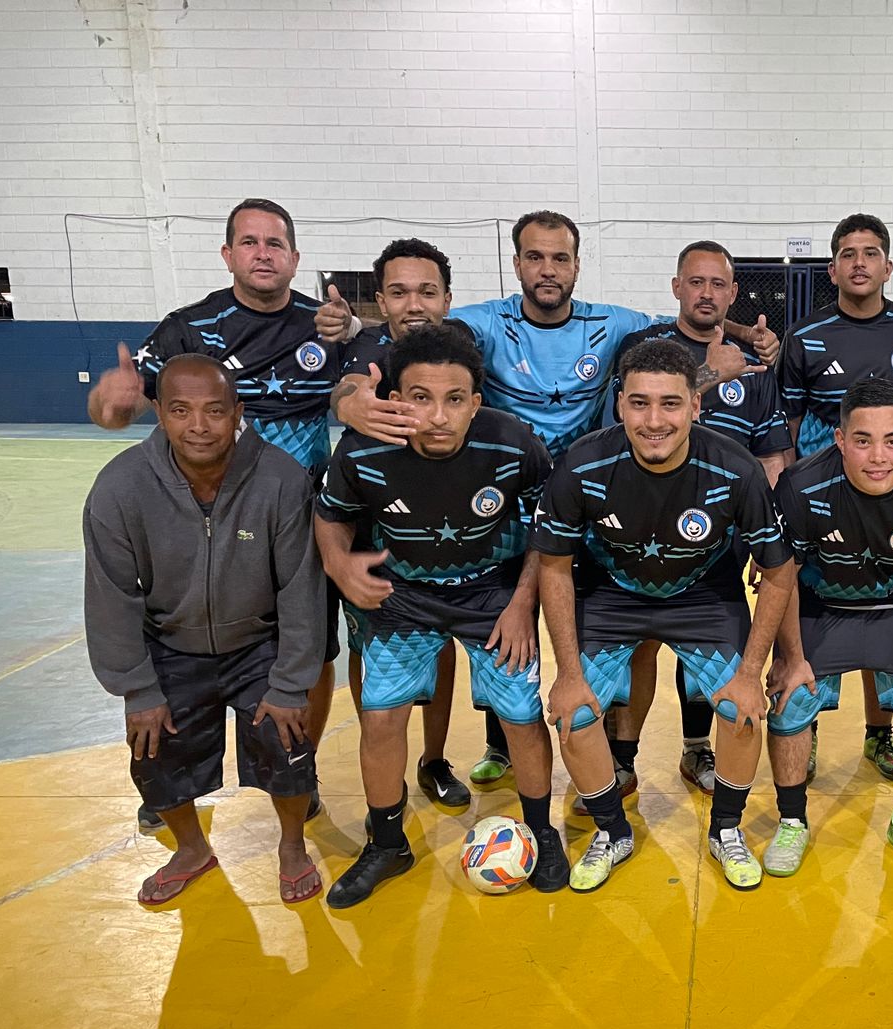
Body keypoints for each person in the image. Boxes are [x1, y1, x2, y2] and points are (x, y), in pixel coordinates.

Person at [319, 210, 777, 792]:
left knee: (604, 635)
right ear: (516, 264)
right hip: (505, 507)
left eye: (560, 258)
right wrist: (349, 384)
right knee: (507, 627)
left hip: (595, 506)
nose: (548, 269)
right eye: (535, 257)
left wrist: (749, 335)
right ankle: (501, 746)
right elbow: (416, 331)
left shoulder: (613, 324)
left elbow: (689, 316)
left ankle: (621, 758)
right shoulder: (484, 322)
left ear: (577, 265)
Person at [86, 198, 344, 830]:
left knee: (309, 650)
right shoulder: (187, 328)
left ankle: (299, 767)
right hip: (209, 515)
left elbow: (361, 388)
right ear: (228, 254)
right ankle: (172, 783)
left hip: (302, 518)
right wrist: (112, 404)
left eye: (275, 243)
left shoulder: (325, 326)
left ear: (294, 258)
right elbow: (122, 407)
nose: (263, 253)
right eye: (249, 242)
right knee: (183, 649)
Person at [531, 339, 796, 893]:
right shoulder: (581, 463)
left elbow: (778, 570)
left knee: (743, 708)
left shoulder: (735, 467)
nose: (655, 421)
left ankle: (726, 829)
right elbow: (553, 567)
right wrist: (569, 673)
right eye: (640, 403)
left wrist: (751, 673)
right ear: (619, 404)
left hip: (704, 595)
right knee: (573, 712)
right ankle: (612, 831)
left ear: (696, 405)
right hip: (611, 596)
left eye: (670, 403)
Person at [314, 326, 565, 907]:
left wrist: (522, 603)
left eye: (454, 400)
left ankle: (541, 831)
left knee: (521, 717)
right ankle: (387, 844)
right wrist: (338, 565)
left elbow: (549, 528)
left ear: (475, 403)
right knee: (380, 719)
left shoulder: (513, 442)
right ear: (395, 399)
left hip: (492, 597)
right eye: (420, 398)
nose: (437, 416)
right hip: (403, 596)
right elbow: (331, 516)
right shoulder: (363, 447)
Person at [83, 355, 326, 905]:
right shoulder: (120, 488)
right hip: (170, 643)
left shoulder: (281, 480)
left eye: (215, 411)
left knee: (288, 747)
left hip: (258, 643)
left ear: (237, 413)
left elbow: (301, 589)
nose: (199, 426)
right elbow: (111, 596)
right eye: (181, 411)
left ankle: (292, 846)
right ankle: (192, 849)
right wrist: (138, 689)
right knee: (154, 753)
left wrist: (290, 683)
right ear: (159, 413)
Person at [598, 240, 795, 798]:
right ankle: (622, 757)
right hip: (636, 530)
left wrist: (765, 538)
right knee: (639, 646)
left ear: (732, 294)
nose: (706, 294)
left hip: (719, 536)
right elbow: (628, 420)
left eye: (718, 284)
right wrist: (710, 371)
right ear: (676, 287)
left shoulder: (753, 365)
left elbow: (772, 456)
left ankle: (695, 748)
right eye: (696, 282)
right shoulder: (645, 349)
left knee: (702, 648)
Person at [763, 378, 893, 877]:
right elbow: (784, 579)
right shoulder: (799, 486)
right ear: (840, 440)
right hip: (820, 606)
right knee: (790, 701)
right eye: (863, 440)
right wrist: (791, 657)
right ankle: (792, 821)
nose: (878, 456)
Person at [777, 213, 893, 781]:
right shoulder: (805, 335)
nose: (859, 263)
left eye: (870, 253)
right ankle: (808, 733)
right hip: (823, 502)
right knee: (819, 615)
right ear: (831, 269)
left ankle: (879, 735)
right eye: (847, 254)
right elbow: (788, 426)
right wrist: (792, 501)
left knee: (884, 607)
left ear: (887, 266)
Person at [329, 238, 469, 809]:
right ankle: (381, 761)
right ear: (381, 301)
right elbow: (345, 387)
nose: (414, 304)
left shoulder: (462, 347)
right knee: (367, 644)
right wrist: (348, 402)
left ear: (447, 299)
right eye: (400, 292)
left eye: (427, 292)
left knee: (441, 641)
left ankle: (434, 759)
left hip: (449, 521)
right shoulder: (363, 351)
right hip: (374, 526)